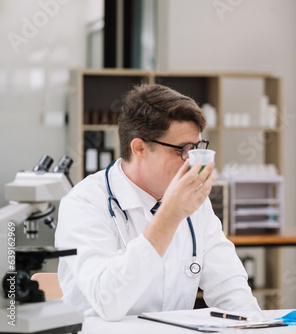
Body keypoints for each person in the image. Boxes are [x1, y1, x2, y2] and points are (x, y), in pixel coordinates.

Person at [55, 83, 261, 320]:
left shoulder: (195, 203)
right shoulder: (85, 203)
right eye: (182, 149)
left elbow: (231, 291)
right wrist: (170, 215)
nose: (191, 162)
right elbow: (108, 303)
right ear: (140, 148)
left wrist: (254, 323)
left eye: (196, 148)